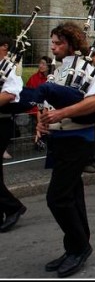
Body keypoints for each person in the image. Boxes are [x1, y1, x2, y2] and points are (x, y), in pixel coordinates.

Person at [36, 22, 95, 278]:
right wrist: (42, 120)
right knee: (73, 195)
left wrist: (62, 113)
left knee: (57, 197)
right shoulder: (58, 69)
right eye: (53, 43)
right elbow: (47, 102)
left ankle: (80, 247)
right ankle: (74, 246)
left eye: (58, 43)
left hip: (78, 138)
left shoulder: (88, 68)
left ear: (72, 44)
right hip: (60, 139)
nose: (53, 47)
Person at [0, 34, 27, 233]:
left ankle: (13, 207)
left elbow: (11, 94)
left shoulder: (12, 68)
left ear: (4, 47)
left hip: (2, 122)